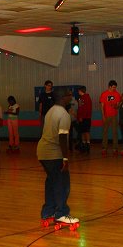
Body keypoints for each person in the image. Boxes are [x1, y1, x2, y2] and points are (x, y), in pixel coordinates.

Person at [37, 89, 78, 228]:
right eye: (69, 95)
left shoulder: (51, 110)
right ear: (63, 97)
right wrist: (65, 159)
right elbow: (62, 138)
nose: (71, 97)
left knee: (51, 181)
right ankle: (61, 214)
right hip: (53, 153)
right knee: (62, 183)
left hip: (42, 152)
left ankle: (47, 212)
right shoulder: (64, 115)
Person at [99, 80, 120, 156]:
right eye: (113, 87)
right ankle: (104, 148)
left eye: (115, 87)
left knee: (115, 132)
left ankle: (115, 148)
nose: (114, 88)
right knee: (105, 132)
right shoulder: (104, 94)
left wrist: (116, 106)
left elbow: (118, 105)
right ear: (110, 86)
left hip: (114, 115)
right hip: (106, 115)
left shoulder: (117, 94)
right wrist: (103, 116)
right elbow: (102, 106)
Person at [77, 86, 92, 154]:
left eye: (78, 91)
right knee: (85, 131)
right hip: (86, 117)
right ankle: (85, 145)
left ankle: (85, 145)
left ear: (80, 91)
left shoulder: (82, 98)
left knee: (84, 132)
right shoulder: (87, 98)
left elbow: (83, 109)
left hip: (84, 118)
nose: (78, 92)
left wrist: (81, 117)